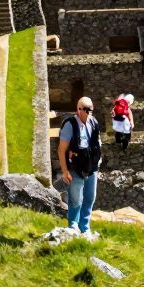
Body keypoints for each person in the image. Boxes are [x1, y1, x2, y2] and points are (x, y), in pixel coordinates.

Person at [56, 96, 103, 235]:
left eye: (91, 110)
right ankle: (73, 224)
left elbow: (97, 143)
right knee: (76, 198)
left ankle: (85, 226)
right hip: (76, 168)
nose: (89, 113)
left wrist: (98, 161)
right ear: (78, 109)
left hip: (92, 167)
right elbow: (61, 149)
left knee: (90, 197)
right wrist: (65, 171)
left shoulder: (93, 122)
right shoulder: (70, 124)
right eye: (86, 110)